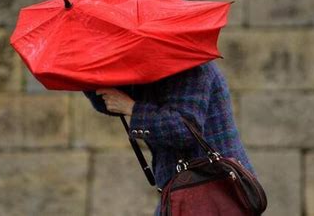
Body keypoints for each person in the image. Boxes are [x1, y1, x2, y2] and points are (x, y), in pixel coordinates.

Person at [83, 60, 257, 215]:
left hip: (216, 188)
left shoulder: (192, 66)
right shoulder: (158, 67)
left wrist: (133, 109)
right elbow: (113, 100)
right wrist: (85, 72)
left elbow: (183, 130)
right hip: (186, 190)